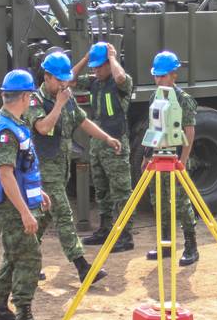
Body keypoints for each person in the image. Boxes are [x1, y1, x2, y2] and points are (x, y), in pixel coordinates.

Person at [26, 51, 124, 283]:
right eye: (59, 80)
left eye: (65, 80)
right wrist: (58, 104)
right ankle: (83, 268)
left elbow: (83, 121)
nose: (63, 84)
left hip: (61, 169)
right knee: (64, 216)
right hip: (44, 171)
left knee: (42, 221)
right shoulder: (35, 101)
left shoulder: (65, 97)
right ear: (47, 77)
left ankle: (26, 262)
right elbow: (42, 127)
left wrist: (106, 138)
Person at [0, 69, 53, 320]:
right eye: (30, 97)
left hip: (18, 201)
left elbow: (23, 169)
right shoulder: (7, 130)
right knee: (29, 258)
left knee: (14, 254)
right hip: (12, 208)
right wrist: (25, 212)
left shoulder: (12, 122)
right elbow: (5, 173)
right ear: (25, 97)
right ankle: (24, 318)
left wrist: (38, 195)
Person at [76, 42, 137, 252]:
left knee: (121, 191)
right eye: (93, 67)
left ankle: (126, 236)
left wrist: (112, 58)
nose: (95, 70)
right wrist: (86, 58)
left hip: (116, 145)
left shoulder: (121, 83)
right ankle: (105, 229)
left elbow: (121, 78)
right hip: (97, 145)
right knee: (102, 190)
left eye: (98, 66)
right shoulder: (94, 82)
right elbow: (68, 79)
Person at [143, 50, 200, 267]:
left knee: (181, 202)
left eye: (162, 76)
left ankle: (191, 246)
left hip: (176, 156)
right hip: (159, 157)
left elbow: (189, 131)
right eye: (156, 76)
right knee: (159, 201)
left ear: (173, 75)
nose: (158, 80)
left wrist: (183, 161)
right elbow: (154, 127)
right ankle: (165, 245)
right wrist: (147, 156)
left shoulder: (183, 100)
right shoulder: (155, 96)